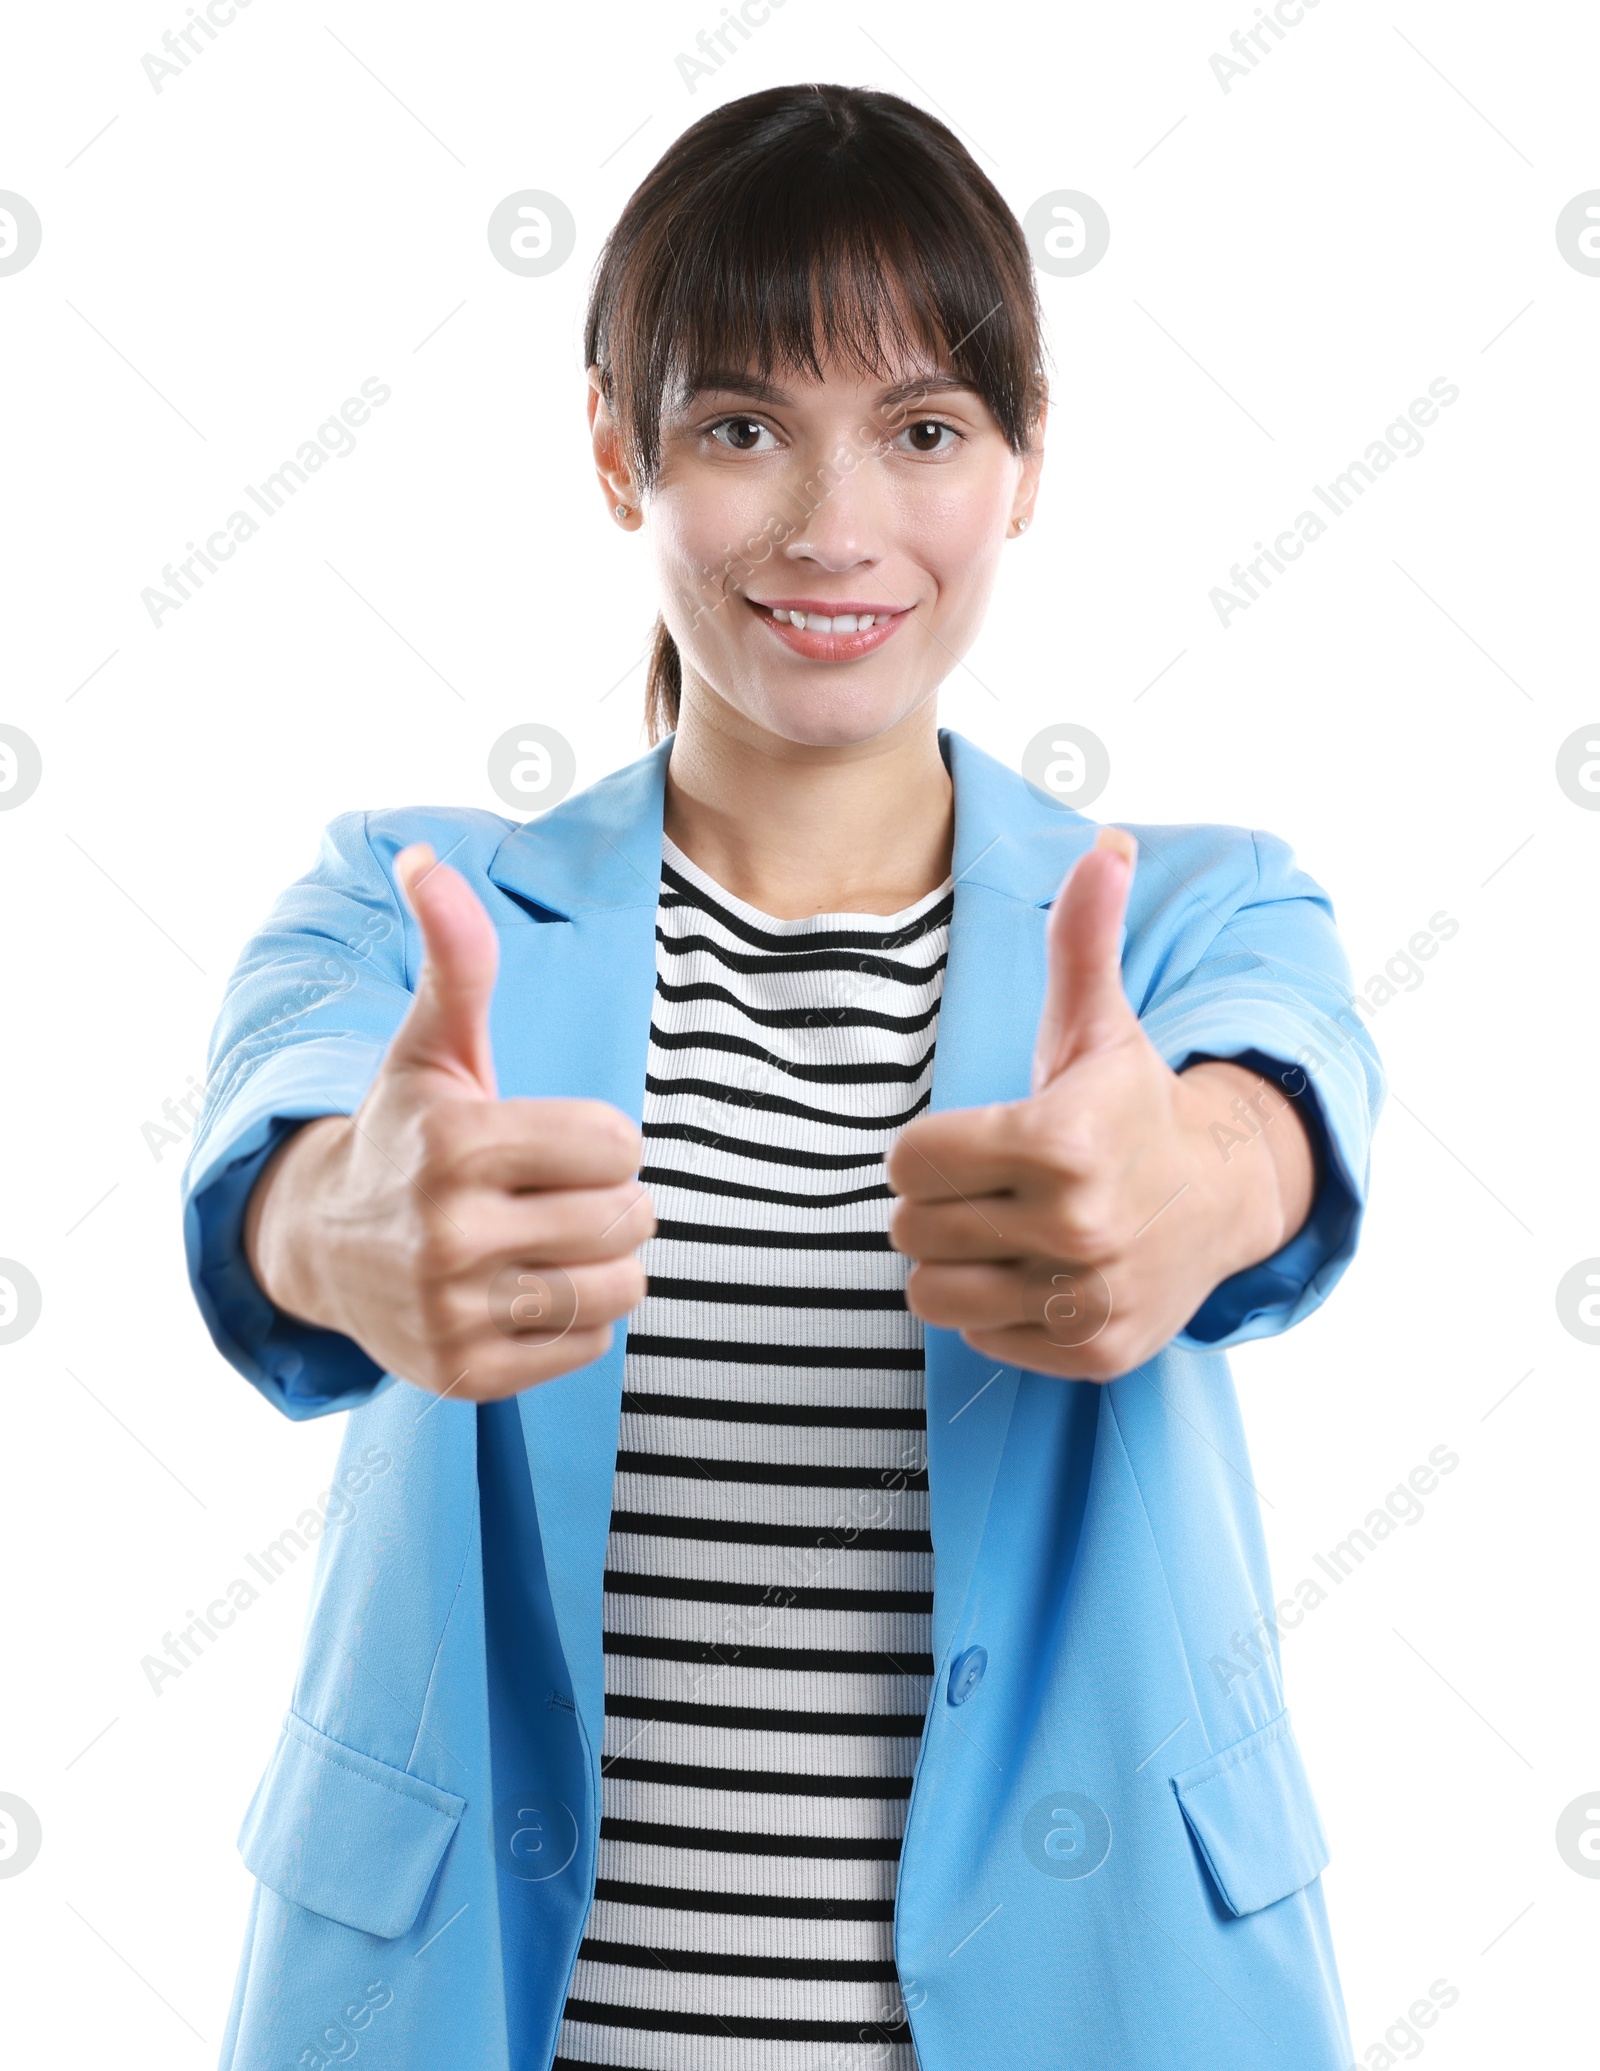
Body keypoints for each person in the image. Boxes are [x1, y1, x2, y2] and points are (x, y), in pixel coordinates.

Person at [183, 82, 1384, 2071]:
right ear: (611, 447)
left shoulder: (1182, 919)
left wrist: (1183, 1182)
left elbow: (1271, 1116)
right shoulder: (408, 910)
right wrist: (345, 1224)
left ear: (1020, 465)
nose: (833, 530)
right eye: (739, 425)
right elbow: (293, 1149)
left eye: (920, 430)